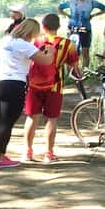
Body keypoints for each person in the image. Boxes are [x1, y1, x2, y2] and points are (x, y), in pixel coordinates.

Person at [0, 18, 54, 168]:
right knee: (7, 122)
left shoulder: (4, 41)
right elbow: (46, 61)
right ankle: (0, 157)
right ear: (31, 33)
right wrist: (51, 51)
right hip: (12, 84)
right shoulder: (24, 45)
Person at [23, 13, 78, 163]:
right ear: (58, 26)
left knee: (32, 117)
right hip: (55, 85)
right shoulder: (67, 44)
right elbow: (74, 66)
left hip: (34, 84)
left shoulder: (35, 41)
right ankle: (49, 153)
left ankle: (28, 151)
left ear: (43, 26)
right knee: (52, 119)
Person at [59, 0, 105, 66]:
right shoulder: (71, 1)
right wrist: (67, 15)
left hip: (86, 28)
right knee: (72, 52)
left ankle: (84, 71)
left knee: (85, 52)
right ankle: (73, 71)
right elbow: (59, 8)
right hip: (73, 28)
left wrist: (93, 15)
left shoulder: (91, 2)